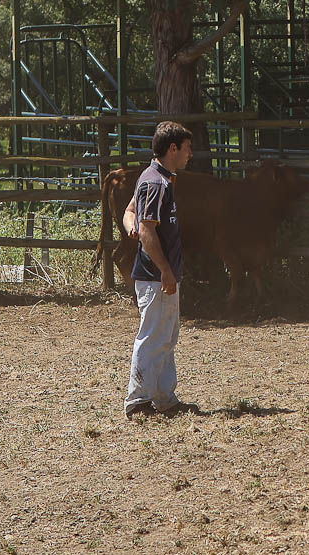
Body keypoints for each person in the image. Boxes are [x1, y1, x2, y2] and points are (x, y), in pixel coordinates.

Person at [123, 121, 193, 419]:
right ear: (173, 148)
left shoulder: (156, 178)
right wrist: (165, 269)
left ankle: (165, 398)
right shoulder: (156, 183)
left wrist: (132, 227)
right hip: (155, 276)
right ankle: (138, 401)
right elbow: (147, 229)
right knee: (153, 336)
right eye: (187, 148)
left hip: (160, 275)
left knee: (165, 336)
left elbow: (130, 212)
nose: (190, 154)